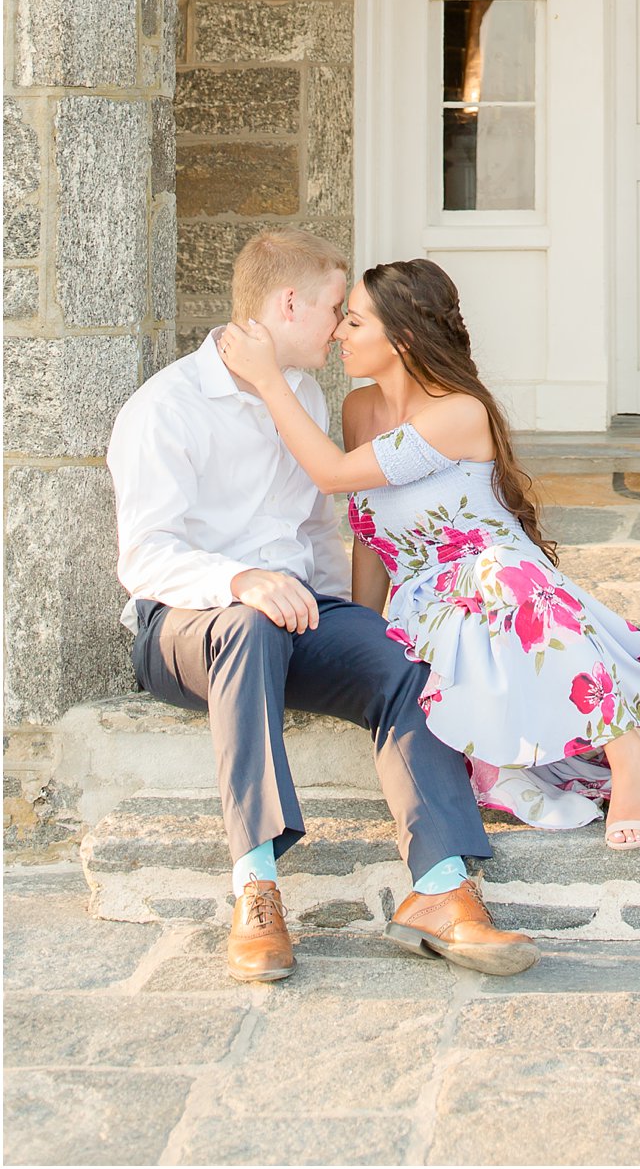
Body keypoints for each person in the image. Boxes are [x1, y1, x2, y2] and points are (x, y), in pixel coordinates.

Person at [216, 257, 640, 850]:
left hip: (510, 593)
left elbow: (333, 474)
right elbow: (368, 529)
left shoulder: (459, 412)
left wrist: (268, 381)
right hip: (429, 608)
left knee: (503, 571)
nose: (340, 331)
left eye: (356, 322)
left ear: (403, 339)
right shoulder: (357, 410)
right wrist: (365, 627)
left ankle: (625, 752)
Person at [107, 229, 539, 986]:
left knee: (400, 655)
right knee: (248, 624)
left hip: (292, 617)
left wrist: (351, 628)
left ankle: (440, 889)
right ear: (288, 303)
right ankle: (256, 887)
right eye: (336, 307)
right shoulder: (164, 407)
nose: (341, 325)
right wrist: (240, 580)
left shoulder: (301, 394)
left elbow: (313, 532)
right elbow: (145, 558)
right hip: (186, 627)